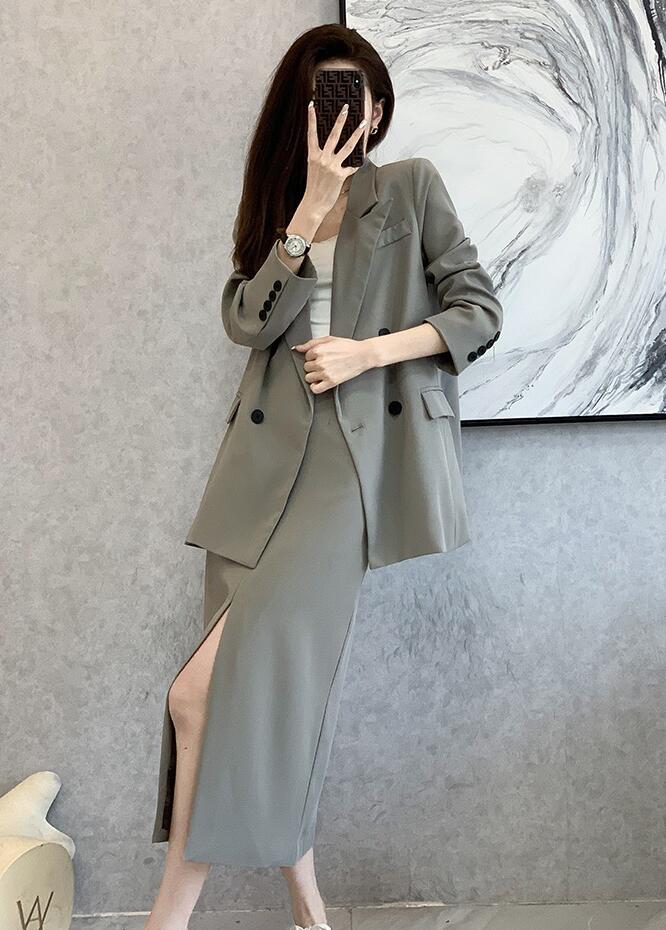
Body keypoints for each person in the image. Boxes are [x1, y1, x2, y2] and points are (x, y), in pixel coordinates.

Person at [144, 22, 503, 930]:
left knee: (203, 694)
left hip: (348, 470)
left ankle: (166, 922)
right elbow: (247, 323)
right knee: (256, 699)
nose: (343, 114)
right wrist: (306, 212)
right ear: (297, 115)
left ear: (379, 110)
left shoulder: (410, 187)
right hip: (258, 472)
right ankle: (311, 909)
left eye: (357, 97)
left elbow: (479, 310)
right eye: (322, 100)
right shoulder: (281, 207)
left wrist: (365, 353)